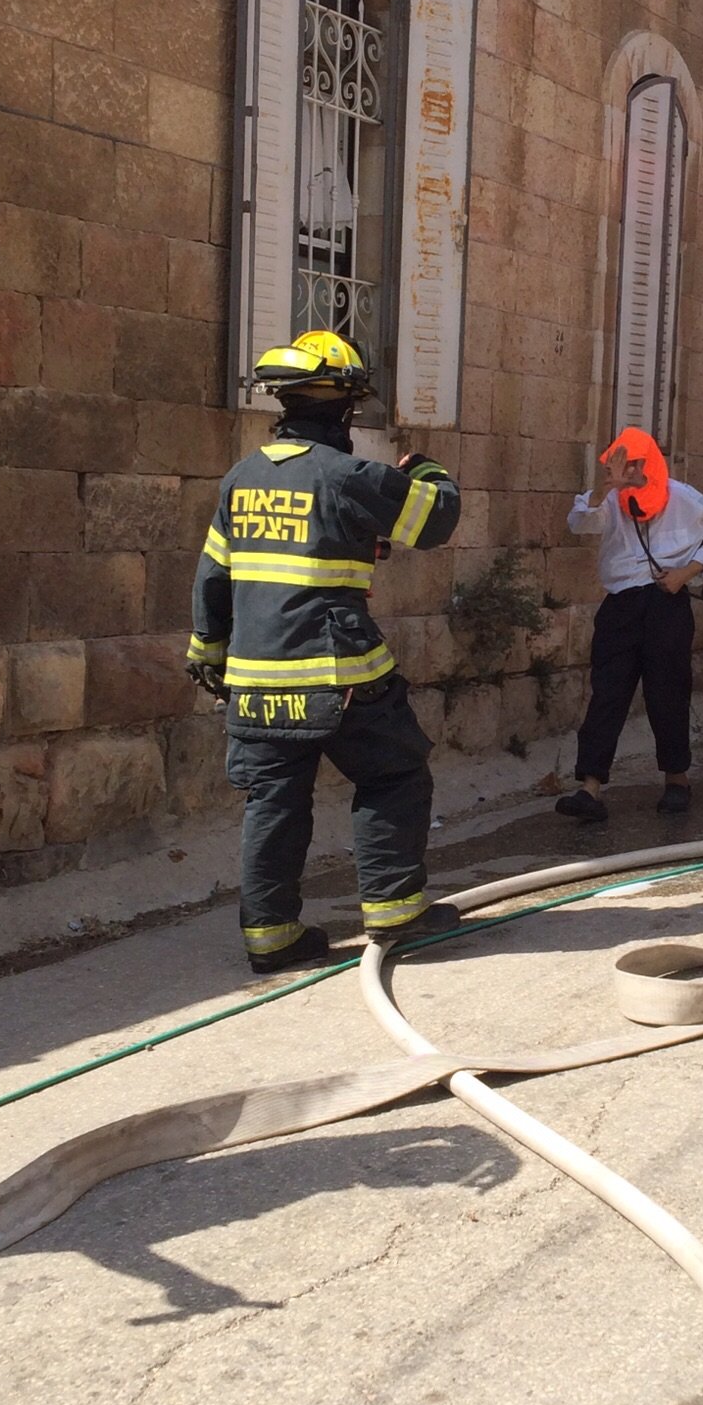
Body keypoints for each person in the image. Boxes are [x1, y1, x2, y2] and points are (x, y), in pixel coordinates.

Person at [186, 330, 462, 975]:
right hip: (338, 674)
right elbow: (436, 519)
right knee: (392, 774)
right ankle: (396, 911)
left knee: (273, 802)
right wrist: (426, 469)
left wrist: (208, 648)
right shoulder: (349, 475)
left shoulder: (241, 479)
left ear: (283, 404)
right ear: (344, 409)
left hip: (253, 681)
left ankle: (271, 938)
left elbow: (214, 575)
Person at [555, 426, 703, 822]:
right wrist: (605, 490)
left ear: (646, 463)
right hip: (621, 604)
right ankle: (590, 787)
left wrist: (687, 572)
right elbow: (580, 522)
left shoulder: (685, 499)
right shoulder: (612, 501)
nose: (625, 472)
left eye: (630, 464)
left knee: (667, 693)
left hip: (666, 601)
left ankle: (676, 779)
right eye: (618, 465)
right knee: (607, 694)